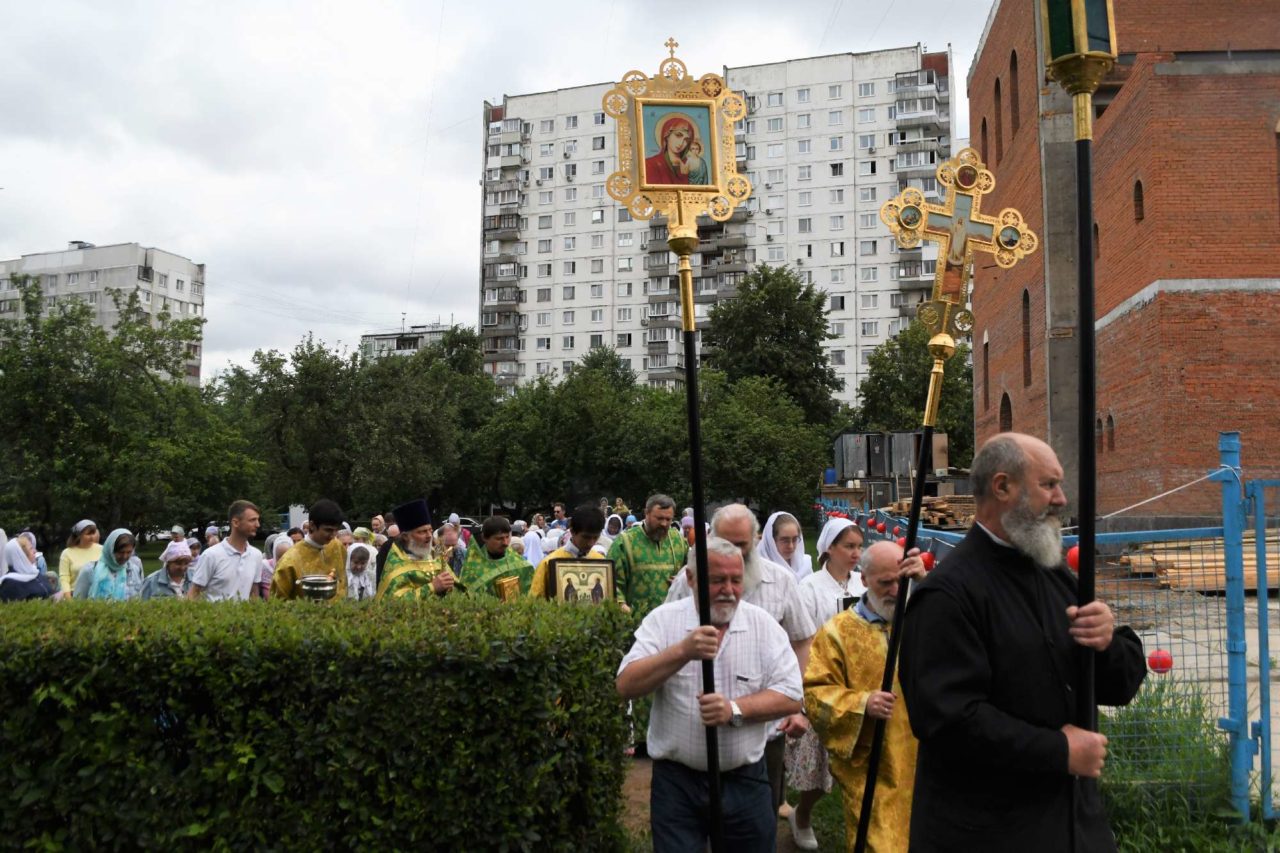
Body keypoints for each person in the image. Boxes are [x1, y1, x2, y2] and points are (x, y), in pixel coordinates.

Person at [899, 433, 1147, 852]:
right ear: (1002, 487)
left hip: (1073, 827)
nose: (1061, 499)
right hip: (986, 834)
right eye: (1048, 484)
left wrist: (1107, 642)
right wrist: (1057, 750)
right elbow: (946, 720)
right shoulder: (947, 594)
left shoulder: (1052, 574)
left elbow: (1118, 687)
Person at [617, 537, 803, 852]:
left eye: (735, 580)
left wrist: (735, 710)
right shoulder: (664, 621)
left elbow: (791, 695)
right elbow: (626, 684)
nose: (728, 590)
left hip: (745, 780)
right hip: (678, 784)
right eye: (717, 581)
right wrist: (681, 652)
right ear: (690, 580)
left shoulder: (762, 626)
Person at [664, 504, 816, 827]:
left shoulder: (781, 581)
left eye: (741, 545)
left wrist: (796, 704)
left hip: (764, 727)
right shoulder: (686, 580)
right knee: (696, 819)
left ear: (757, 539)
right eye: (724, 542)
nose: (732, 553)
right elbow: (667, 635)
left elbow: (802, 641)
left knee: (757, 819)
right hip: (696, 724)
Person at [803, 540, 927, 852]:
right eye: (885, 583)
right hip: (872, 768)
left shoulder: (925, 619)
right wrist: (862, 704)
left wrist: (928, 587)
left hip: (924, 765)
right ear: (864, 579)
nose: (896, 591)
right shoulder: (837, 633)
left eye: (902, 581)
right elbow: (816, 694)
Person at [608, 494, 687, 620]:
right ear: (646, 513)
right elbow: (612, 584)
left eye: (668, 519)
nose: (664, 523)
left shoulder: (679, 541)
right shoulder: (625, 542)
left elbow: (694, 574)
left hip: (673, 622)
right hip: (635, 623)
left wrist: (683, 580)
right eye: (659, 518)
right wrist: (624, 609)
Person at [377, 499, 456, 599]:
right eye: (422, 532)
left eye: (430, 530)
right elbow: (392, 602)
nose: (429, 536)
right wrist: (432, 587)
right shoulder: (395, 563)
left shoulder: (435, 555)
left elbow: (456, 586)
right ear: (406, 536)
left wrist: (448, 587)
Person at [271, 500, 348, 600]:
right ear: (312, 525)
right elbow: (277, 602)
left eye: (336, 530)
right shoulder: (290, 561)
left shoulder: (337, 546)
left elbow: (342, 583)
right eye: (328, 530)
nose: (333, 535)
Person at [529, 505, 609, 599]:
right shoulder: (548, 563)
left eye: (595, 537)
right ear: (572, 531)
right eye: (586, 537)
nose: (590, 543)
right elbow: (535, 602)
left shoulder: (601, 562)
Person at [190, 501, 265, 602]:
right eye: (252, 520)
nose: (258, 525)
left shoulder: (257, 555)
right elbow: (194, 593)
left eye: (257, 520)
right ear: (235, 522)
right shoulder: (210, 555)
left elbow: (254, 593)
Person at [460, 516, 535, 597]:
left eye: (507, 537)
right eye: (499, 539)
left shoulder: (520, 564)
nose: (506, 543)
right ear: (484, 538)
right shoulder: (473, 569)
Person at [643, 113, 708, 186]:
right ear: (666, 135)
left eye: (686, 140)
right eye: (678, 135)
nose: (681, 143)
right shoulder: (650, 164)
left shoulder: (694, 163)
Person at [78, 528, 140, 600]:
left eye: (129, 552)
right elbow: (78, 601)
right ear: (110, 550)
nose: (124, 556)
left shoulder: (134, 570)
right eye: (120, 552)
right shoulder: (90, 570)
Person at [1, 532, 59, 602]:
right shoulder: (10, 585)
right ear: (21, 555)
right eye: (31, 548)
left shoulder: (33, 573)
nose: (35, 551)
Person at [759, 511, 813, 581]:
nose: (791, 546)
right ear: (771, 541)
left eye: (794, 539)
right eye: (785, 540)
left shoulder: (805, 565)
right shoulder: (760, 570)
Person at [58, 520, 102, 594]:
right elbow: (64, 579)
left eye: (93, 533)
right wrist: (69, 600)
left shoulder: (102, 550)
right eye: (88, 534)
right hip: (75, 594)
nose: (92, 537)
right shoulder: (67, 553)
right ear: (79, 535)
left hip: (97, 593)